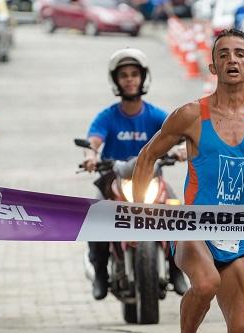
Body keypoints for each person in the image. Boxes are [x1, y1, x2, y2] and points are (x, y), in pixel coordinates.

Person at [132, 29, 244, 333]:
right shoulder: (192, 114)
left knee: (243, 328)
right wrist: (138, 213)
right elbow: (146, 156)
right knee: (207, 283)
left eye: (239, 54)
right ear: (213, 67)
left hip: (238, 231)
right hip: (193, 227)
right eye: (223, 54)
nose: (231, 59)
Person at [82, 48, 187, 300]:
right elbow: (93, 141)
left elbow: (179, 132)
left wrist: (183, 148)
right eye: (124, 75)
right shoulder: (107, 117)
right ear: (116, 81)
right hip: (113, 180)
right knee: (95, 217)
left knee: (176, 211)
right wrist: (90, 157)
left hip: (152, 178)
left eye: (134, 74)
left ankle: (176, 271)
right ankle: (99, 272)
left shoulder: (156, 115)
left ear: (142, 78)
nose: (130, 79)